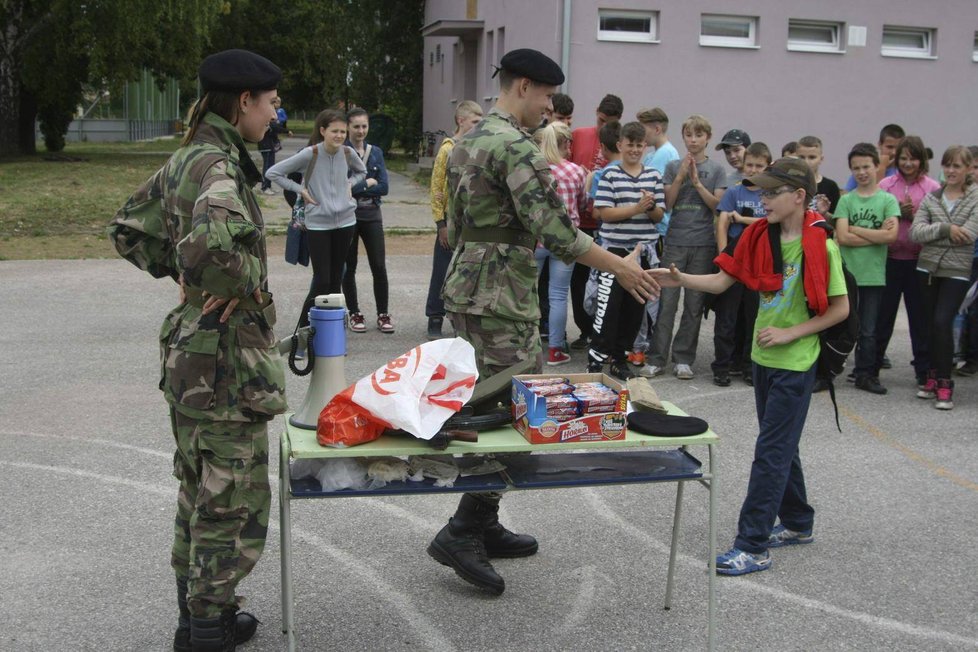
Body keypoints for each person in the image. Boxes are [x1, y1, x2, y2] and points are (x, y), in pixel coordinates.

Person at [429, 48, 661, 596]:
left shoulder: (466, 141)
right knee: (517, 407)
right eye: (547, 98)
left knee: (489, 405)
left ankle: (482, 520)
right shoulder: (514, 146)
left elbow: (454, 227)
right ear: (524, 87)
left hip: (470, 284)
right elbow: (557, 233)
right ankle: (462, 528)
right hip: (502, 294)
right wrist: (622, 268)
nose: (550, 110)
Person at [107, 49, 288, 650]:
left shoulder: (186, 157)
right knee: (229, 500)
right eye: (270, 102)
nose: (275, 112)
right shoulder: (217, 167)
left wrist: (179, 276)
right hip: (226, 361)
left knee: (198, 488)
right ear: (243, 103)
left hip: (193, 356)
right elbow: (215, 248)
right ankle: (208, 628)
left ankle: (198, 617)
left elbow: (127, 228)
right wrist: (231, 283)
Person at [651, 157, 849, 575]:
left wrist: (790, 334)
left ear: (799, 196)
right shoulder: (759, 235)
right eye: (760, 192)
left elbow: (840, 309)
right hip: (763, 360)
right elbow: (723, 281)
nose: (762, 200)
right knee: (781, 445)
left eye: (772, 192)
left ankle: (753, 544)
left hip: (796, 363)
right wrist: (682, 279)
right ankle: (798, 523)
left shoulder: (822, 244)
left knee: (770, 452)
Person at [266, 109, 367, 330]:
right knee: (321, 280)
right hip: (318, 224)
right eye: (334, 131)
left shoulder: (348, 153)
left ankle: (331, 335)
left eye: (342, 131)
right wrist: (299, 190)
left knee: (334, 281)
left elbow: (362, 172)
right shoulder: (310, 154)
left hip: (346, 223)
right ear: (323, 131)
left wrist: (350, 184)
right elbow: (273, 173)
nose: (339, 136)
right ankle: (302, 334)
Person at [646, 114, 727, 379]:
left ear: (707, 138)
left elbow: (718, 207)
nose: (693, 140)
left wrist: (697, 183)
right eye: (689, 135)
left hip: (703, 243)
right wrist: (681, 176)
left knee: (694, 305)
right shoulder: (671, 166)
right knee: (666, 303)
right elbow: (667, 204)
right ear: (683, 137)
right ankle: (657, 358)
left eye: (699, 135)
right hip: (675, 241)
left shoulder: (716, 170)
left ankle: (683, 359)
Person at [587, 121, 665, 380]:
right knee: (608, 310)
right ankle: (596, 359)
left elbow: (659, 215)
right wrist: (636, 208)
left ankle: (620, 359)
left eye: (639, 145)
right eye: (629, 144)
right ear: (620, 145)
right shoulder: (610, 175)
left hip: (643, 254)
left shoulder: (653, 176)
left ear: (645, 146)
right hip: (615, 254)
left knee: (634, 311)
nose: (634, 149)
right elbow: (605, 214)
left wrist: (650, 205)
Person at [910, 145, 978, 410]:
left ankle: (945, 382)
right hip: (927, 268)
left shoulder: (974, 198)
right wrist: (946, 228)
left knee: (942, 321)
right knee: (929, 324)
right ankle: (931, 376)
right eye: (947, 165)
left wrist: (935, 233)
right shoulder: (932, 197)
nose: (951, 171)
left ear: (968, 169)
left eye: (957, 166)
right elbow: (916, 233)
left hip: (956, 271)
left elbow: (970, 234)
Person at [834, 142, 899, 394]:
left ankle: (866, 374)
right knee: (839, 326)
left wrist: (855, 228)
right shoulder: (846, 201)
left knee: (869, 331)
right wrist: (876, 232)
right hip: (847, 275)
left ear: (876, 166)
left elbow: (890, 237)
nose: (861, 172)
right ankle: (828, 370)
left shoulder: (887, 200)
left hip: (873, 275)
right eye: (856, 168)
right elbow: (842, 237)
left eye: (866, 167)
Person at [876, 136, 940, 388]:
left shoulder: (932, 188)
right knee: (884, 316)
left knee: (920, 318)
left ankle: (923, 370)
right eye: (903, 158)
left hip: (918, 261)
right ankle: (872, 365)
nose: (908, 163)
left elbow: (935, 224)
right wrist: (895, 214)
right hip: (890, 259)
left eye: (913, 158)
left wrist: (914, 216)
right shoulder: (886, 185)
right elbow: (877, 217)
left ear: (921, 159)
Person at [711, 142, 771, 386]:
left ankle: (749, 365)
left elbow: (769, 223)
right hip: (735, 262)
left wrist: (744, 218)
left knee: (754, 318)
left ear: (768, 166)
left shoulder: (770, 194)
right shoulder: (734, 192)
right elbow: (722, 223)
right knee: (727, 317)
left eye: (759, 165)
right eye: (750, 165)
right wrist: (724, 256)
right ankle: (722, 366)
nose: (753, 169)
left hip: (759, 264)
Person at [568, 93, 624, 350]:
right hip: (579, 220)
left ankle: (602, 332)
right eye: (600, 120)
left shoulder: (619, 140)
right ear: (596, 112)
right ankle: (584, 331)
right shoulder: (578, 134)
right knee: (579, 283)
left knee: (603, 284)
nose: (603, 127)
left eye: (608, 122)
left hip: (605, 226)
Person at [425, 100, 484, 339]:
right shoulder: (448, 149)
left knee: (466, 272)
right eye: (475, 122)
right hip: (450, 222)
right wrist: (441, 224)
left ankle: (460, 318)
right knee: (441, 270)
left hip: (471, 223)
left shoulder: (477, 148)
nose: (478, 126)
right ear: (461, 121)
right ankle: (434, 317)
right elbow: (437, 189)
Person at [537, 121, 588, 365]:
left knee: (526, 293)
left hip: (536, 239)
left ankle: (524, 344)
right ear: (565, 143)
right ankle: (555, 350)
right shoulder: (576, 171)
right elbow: (582, 203)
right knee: (558, 295)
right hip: (566, 240)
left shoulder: (535, 169)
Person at [341, 108, 394, 333]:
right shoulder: (341, 152)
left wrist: (360, 187)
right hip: (348, 217)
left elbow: (385, 187)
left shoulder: (376, 152)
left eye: (364, 126)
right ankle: (355, 313)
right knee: (348, 267)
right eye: (356, 127)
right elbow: (342, 189)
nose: (361, 131)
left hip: (372, 216)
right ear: (348, 128)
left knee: (379, 266)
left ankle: (383, 314)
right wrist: (368, 183)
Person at [843, 123, 904, 191]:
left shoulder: (902, 171)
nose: (894, 152)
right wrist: (882, 167)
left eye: (898, 148)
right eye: (889, 147)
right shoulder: (866, 168)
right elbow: (846, 193)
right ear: (879, 144)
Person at [795, 135, 840, 222]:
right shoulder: (789, 185)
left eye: (812, 157)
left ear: (821, 159)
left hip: (822, 234)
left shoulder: (831, 186)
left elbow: (837, 223)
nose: (806, 162)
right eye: (802, 157)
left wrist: (824, 213)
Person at [257, 97, 292, 194]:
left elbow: (279, 125)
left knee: (270, 166)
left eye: (279, 102)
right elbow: (274, 126)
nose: (278, 104)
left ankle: (268, 185)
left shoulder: (275, 113)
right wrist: (286, 131)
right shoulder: (268, 113)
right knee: (267, 167)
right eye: (276, 102)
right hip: (265, 145)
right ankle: (265, 187)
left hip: (270, 144)